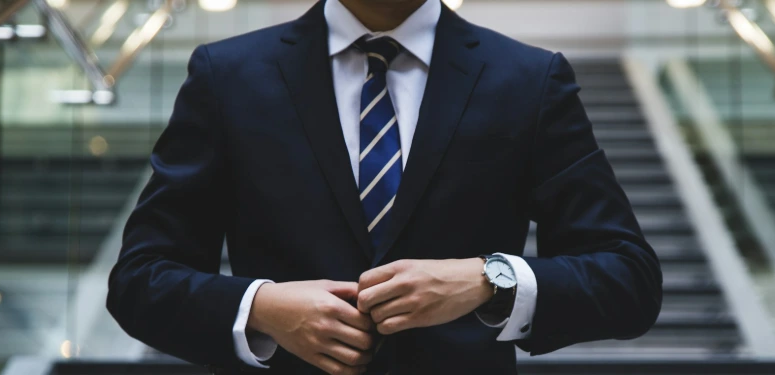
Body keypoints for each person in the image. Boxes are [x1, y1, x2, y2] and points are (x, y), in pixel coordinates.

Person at [106, 0, 663, 373]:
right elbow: (140, 279)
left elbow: (628, 278)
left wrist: (490, 278)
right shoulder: (226, 76)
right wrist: (261, 307)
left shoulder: (529, 79)